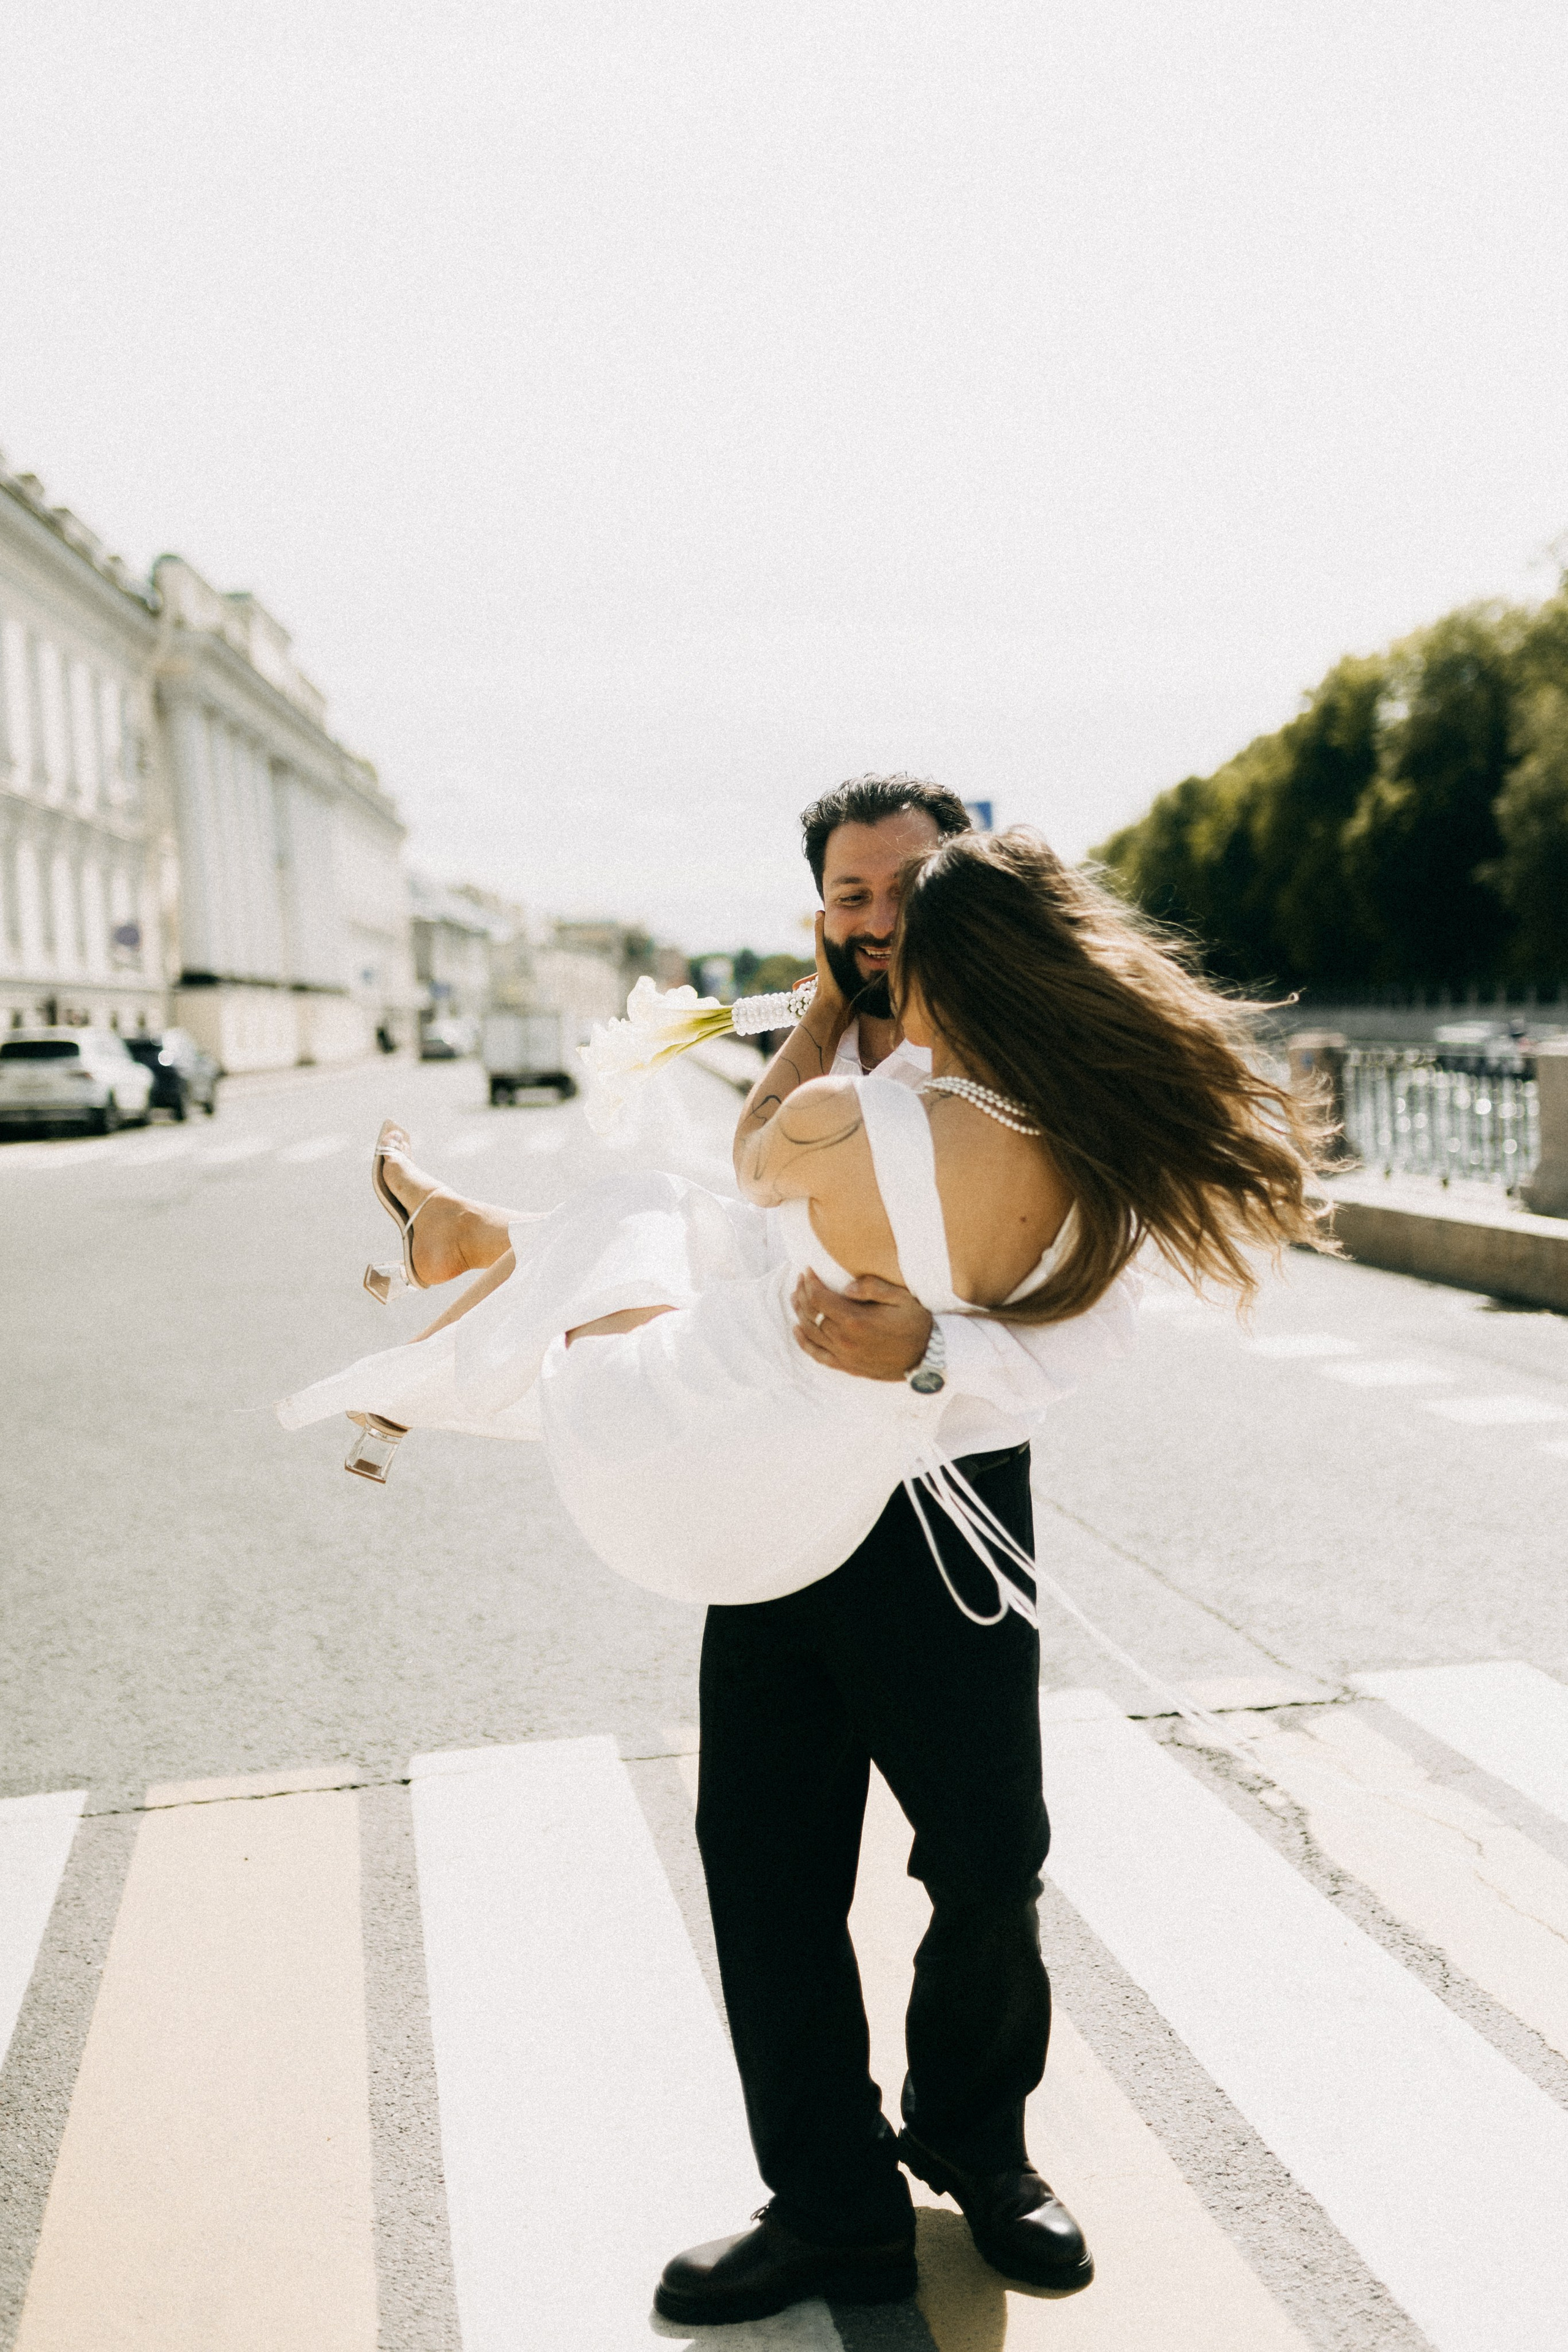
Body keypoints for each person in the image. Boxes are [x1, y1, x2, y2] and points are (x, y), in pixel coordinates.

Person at [278, 805, 1327, 2327]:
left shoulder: (1047, 1086)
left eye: (906, 888)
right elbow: (748, 1239)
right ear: (820, 917)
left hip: (942, 1511)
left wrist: (931, 1352)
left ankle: (978, 2150)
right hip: (768, 1503)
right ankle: (831, 2206)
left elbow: (1090, 1324)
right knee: (762, 1864)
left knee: (987, 1860)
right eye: (848, 894)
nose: (877, 917)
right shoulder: (831, 1072)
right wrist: (823, 1042)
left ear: (968, 902)